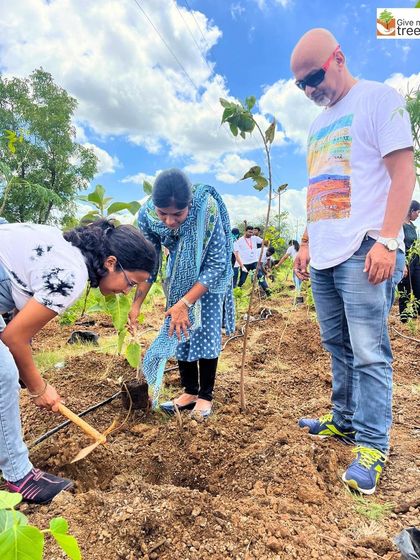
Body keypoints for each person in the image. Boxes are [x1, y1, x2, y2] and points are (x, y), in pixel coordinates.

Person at [291, 28, 415, 494]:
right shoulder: (316, 124)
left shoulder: (379, 100)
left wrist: (388, 239)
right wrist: (305, 242)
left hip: (365, 247)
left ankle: (372, 446)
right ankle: (343, 420)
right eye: (300, 85)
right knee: (336, 344)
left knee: (369, 352)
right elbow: (317, 188)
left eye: (314, 77)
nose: (309, 90)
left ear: (338, 58)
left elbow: (404, 172)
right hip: (323, 254)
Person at [0, 219, 156, 504]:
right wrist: (38, 388)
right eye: (129, 282)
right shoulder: (72, 274)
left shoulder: (63, 247)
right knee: (4, 374)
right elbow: (13, 338)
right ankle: (20, 476)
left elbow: (14, 314)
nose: (125, 292)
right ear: (111, 262)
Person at [130, 169, 235, 418]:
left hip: (208, 281)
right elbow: (151, 262)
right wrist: (136, 305)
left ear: (189, 205)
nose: (169, 221)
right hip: (178, 278)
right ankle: (189, 391)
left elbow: (217, 262)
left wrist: (186, 302)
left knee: (206, 332)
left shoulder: (205, 209)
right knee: (180, 332)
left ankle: (205, 396)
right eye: (162, 213)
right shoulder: (146, 216)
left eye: (177, 214)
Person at [398, 200, 420, 322]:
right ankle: (405, 319)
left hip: (416, 260)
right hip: (405, 260)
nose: (418, 215)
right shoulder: (400, 225)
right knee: (405, 289)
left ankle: (417, 316)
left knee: (418, 287)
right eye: (417, 212)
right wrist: (403, 264)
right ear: (411, 211)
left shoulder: (412, 225)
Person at [236, 226, 271, 296]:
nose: (251, 234)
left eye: (252, 232)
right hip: (245, 263)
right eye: (249, 232)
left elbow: (264, 242)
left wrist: (267, 237)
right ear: (245, 231)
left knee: (260, 276)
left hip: (254, 261)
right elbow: (236, 252)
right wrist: (241, 264)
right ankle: (237, 293)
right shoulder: (240, 240)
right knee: (242, 279)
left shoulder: (255, 238)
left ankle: (268, 292)